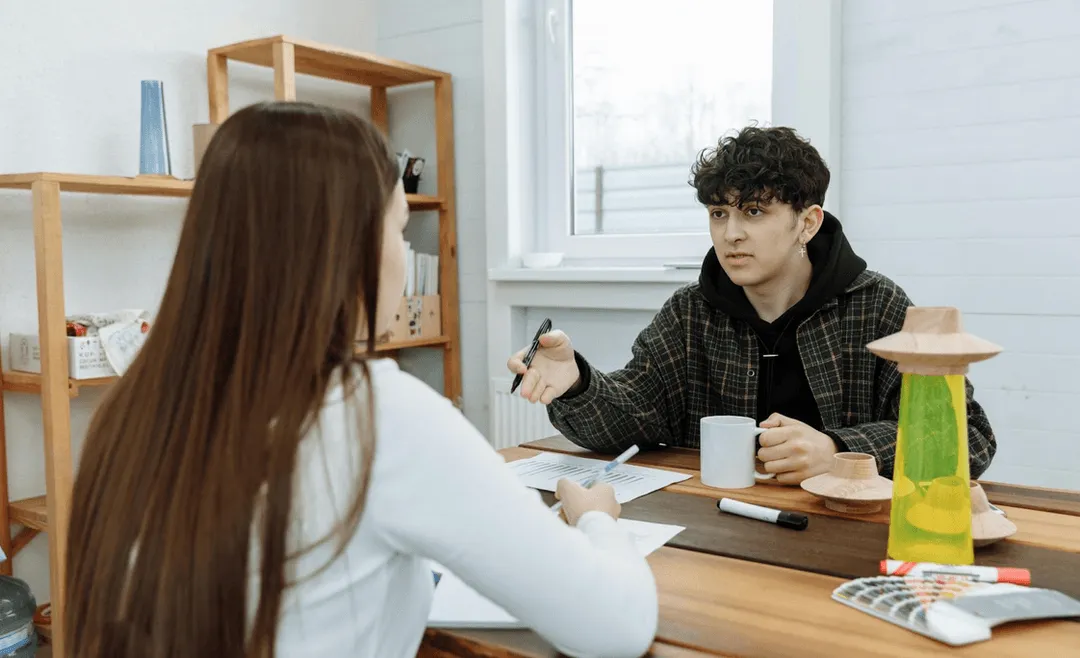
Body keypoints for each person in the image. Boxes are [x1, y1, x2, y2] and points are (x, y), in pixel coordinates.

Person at [65, 102, 657, 658]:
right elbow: (616, 624)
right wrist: (597, 518)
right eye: (398, 231)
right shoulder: (375, 412)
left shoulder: (132, 411)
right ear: (341, 247)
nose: (402, 255)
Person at [508, 125, 995, 484]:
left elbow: (967, 438)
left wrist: (840, 451)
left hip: (843, 533)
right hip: (719, 528)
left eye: (754, 211)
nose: (730, 233)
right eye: (719, 213)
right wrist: (575, 383)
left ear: (807, 223)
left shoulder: (876, 306)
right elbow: (633, 415)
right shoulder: (690, 312)